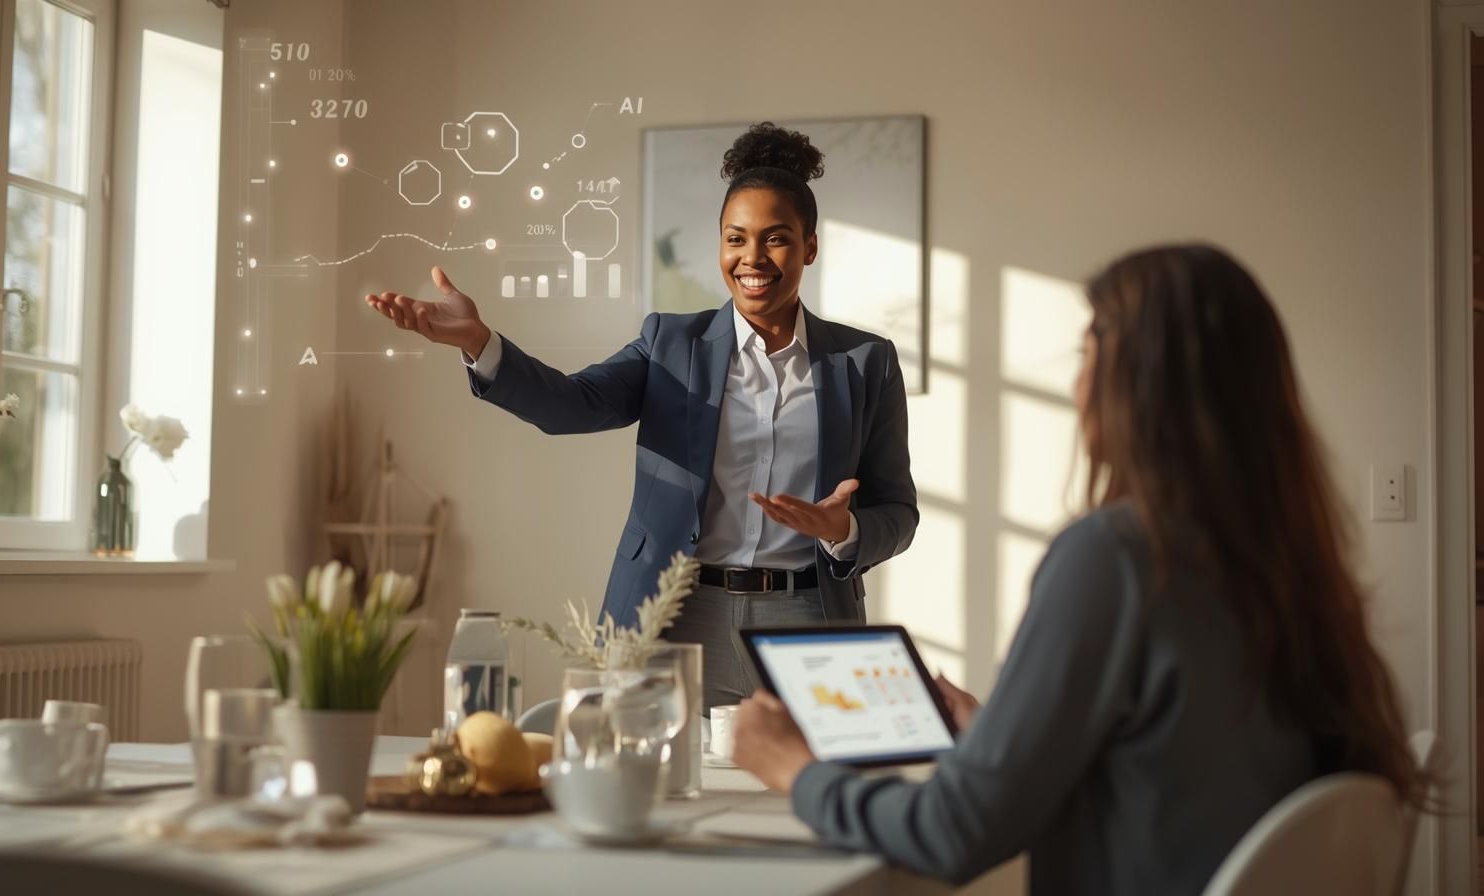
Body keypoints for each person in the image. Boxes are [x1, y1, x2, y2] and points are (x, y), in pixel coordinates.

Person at [730, 244, 1426, 894]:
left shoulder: (1116, 556)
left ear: (1138, 382)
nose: (1077, 382)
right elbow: (1183, 767)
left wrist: (798, 770)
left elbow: (953, 833)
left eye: (1089, 349)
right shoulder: (1284, 563)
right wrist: (1004, 736)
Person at [366, 123, 918, 706]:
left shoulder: (864, 362)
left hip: (808, 617)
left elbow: (898, 510)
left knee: (807, 788)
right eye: (735, 238)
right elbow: (568, 405)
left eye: (776, 239)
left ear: (810, 245)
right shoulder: (672, 343)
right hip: (672, 614)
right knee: (648, 785)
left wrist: (846, 531)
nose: (752, 257)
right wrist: (479, 342)